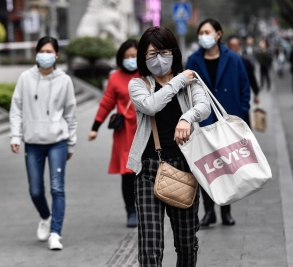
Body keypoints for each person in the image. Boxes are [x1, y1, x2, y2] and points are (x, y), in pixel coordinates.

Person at [128, 26, 210, 266]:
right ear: (143, 57)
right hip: (148, 170)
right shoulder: (138, 85)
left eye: (163, 52)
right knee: (150, 245)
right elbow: (151, 106)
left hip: (184, 167)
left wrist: (186, 118)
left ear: (174, 52)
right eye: (151, 54)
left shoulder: (191, 80)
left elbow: (203, 107)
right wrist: (176, 82)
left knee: (186, 243)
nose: (158, 59)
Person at [9, 36, 77, 251]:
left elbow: (71, 113)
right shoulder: (25, 78)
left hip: (58, 141)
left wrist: (71, 143)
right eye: (42, 51)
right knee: (36, 190)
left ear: (57, 55)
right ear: (36, 53)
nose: (45, 55)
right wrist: (15, 136)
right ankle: (45, 217)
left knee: (57, 188)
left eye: (50, 51)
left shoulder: (64, 80)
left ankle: (55, 233)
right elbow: (16, 108)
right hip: (33, 142)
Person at [186, 18, 250, 227]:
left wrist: (241, 111)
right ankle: (209, 212)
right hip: (203, 122)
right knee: (208, 168)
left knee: (228, 167)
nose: (203, 36)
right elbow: (186, 90)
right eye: (201, 32)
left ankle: (226, 212)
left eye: (207, 32)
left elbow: (244, 87)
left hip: (228, 119)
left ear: (218, 34)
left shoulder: (232, 58)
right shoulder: (193, 60)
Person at [88, 39, 140, 228]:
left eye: (134, 56)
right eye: (126, 57)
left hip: (145, 129)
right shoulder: (115, 78)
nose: (130, 60)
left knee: (146, 172)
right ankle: (131, 211)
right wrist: (95, 127)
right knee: (127, 174)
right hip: (124, 132)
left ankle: (146, 208)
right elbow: (106, 103)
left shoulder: (148, 75)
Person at [227, 36, 260, 112]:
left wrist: (256, 94)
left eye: (235, 46)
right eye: (231, 46)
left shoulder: (245, 62)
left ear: (239, 47)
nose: (233, 49)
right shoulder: (223, 62)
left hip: (241, 99)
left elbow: (252, 78)